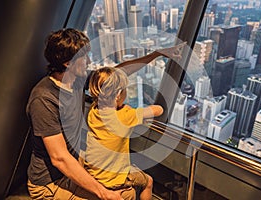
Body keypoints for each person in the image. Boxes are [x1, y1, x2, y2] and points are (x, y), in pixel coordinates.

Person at [26, 28, 186, 200]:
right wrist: (104, 193)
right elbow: (59, 158)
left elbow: (117, 73)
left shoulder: (76, 79)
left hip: (75, 165)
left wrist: (156, 54)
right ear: (67, 63)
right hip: (50, 183)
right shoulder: (44, 98)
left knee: (130, 190)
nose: (88, 61)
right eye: (83, 57)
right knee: (123, 196)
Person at [85, 67, 163, 200]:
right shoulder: (124, 116)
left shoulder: (94, 110)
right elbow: (158, 110)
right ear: (117, 95)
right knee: (148, 182)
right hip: (113, 179)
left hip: (94, 173)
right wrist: (127, 109)